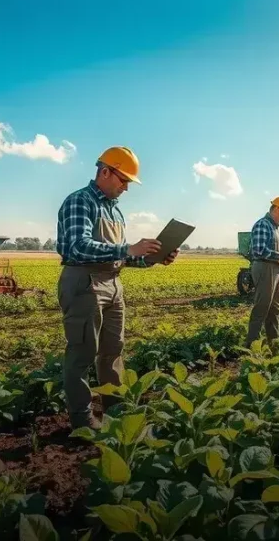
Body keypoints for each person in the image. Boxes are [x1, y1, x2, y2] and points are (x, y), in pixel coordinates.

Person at [55, 146, 179, 430]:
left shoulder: (116, 212)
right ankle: (83, 420)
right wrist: (128, 247)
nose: (126, 188)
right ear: (105, 171)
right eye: (123, 180)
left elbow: (119, 255)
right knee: (82, 352)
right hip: (85, 282)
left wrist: (154, 259)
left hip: (112, 284)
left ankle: (117, 412)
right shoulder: (80, 201)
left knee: (113, 351)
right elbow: (77, 246)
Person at [244, 196, 279, 349]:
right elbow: (259, 250)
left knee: (275, 310)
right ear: (277, 209)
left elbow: (274, 250)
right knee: (261, 308)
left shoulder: (276, 229)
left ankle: (274, 345)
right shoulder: (263, 224)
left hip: (277, 269)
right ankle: (252, 347)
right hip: (265, 268)